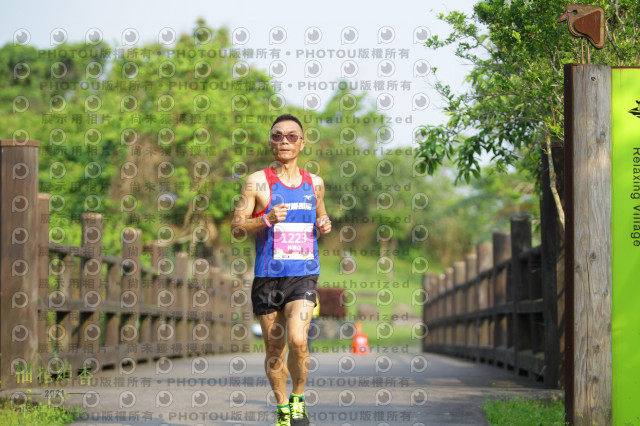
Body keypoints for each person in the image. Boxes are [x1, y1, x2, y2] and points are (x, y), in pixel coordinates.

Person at [232, 114, 331, 426]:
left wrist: (324, 223)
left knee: (298, 340)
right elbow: (236, 228)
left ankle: (298, 399)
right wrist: (265, 219)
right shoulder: (256, 182)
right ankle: (282, 407)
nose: (284, 141)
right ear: (270, 142)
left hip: (303, 274)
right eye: (277, 136)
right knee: (274, 348)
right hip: (267, 277)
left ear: (302, 143)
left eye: (291, 136)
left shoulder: (315, 183)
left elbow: (321, 215)